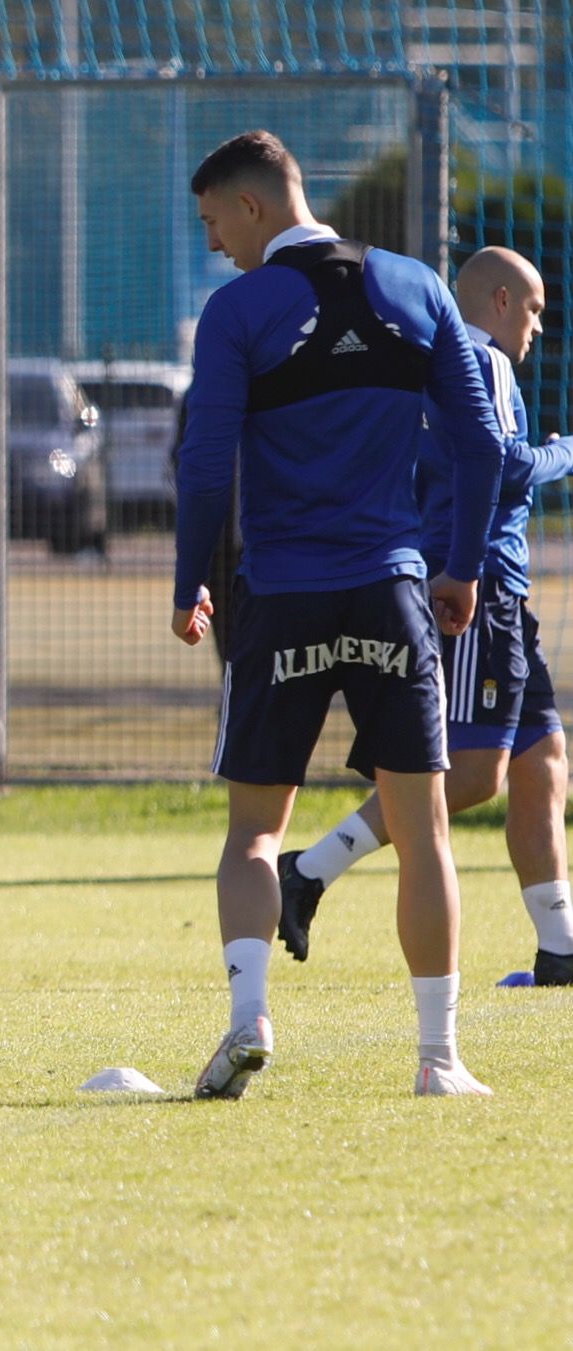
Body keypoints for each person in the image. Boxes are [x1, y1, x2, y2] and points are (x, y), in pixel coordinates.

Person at [171, 131, 507, 1099]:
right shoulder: (416, 287)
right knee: (425, 827)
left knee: (249, 833)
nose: (212, 245)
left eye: (210, 223)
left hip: (279, 595)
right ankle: (438, 1059)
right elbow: (477, 442)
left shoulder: (238, 308)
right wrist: (459, 568)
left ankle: (246, 1020)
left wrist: (188, 578)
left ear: (249, 206)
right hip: (392, 590)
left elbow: (202, 462)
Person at [279, 247, 573, 983]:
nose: (537, 326)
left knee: (543, 766)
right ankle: (308, 871)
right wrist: (564, 452)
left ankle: (560, 952)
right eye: (534, 309)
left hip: (491, 591)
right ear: (501, 301)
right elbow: (502, 465)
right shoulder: (483, 360)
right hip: (476, 592)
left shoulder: (432, 363)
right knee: (474, 776)